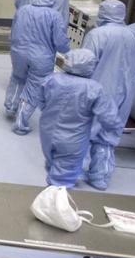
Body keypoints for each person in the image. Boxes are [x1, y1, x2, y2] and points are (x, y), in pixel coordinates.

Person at [80, 0, 135, 188]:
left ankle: (70, 172)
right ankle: (100, 177)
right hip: (125, 93)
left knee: (84, 131)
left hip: (98, 89)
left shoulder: (98, 34)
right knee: (109, 135)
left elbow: (84, 63)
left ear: (103, 13)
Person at [36, 49, 122, 188]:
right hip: (73, 138)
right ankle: (55, 203)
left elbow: (40, 101)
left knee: (53, 163)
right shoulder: (94, 88)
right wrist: (114, 132)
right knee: (64, 176)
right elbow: (109, 117)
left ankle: (50, 193)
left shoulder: (51, 79)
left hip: (47, 132)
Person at [5, 0, 71, 134]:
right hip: (41, 57)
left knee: (17, 78)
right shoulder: (54, 15)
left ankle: (11, 105)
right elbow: (60, 42)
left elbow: (13, 31)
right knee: (34, 87)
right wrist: (68, 51)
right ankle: (21, 124)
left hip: (18, 52)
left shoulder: (23, 10)